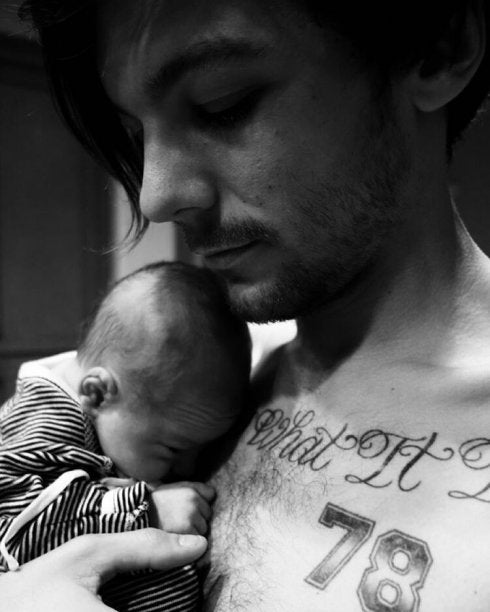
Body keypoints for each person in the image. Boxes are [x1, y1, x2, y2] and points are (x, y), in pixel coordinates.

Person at [6, 0, 490, 609]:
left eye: (223, 104)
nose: (155, 196)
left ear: (439, 47)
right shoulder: (201, 367)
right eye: (136, 136)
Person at [0, 260, 251, 611]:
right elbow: (14, 531)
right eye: (173, 449)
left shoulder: (107, 419)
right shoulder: (44, 420)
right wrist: (145, 509)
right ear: (97, 394)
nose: (186, 468)